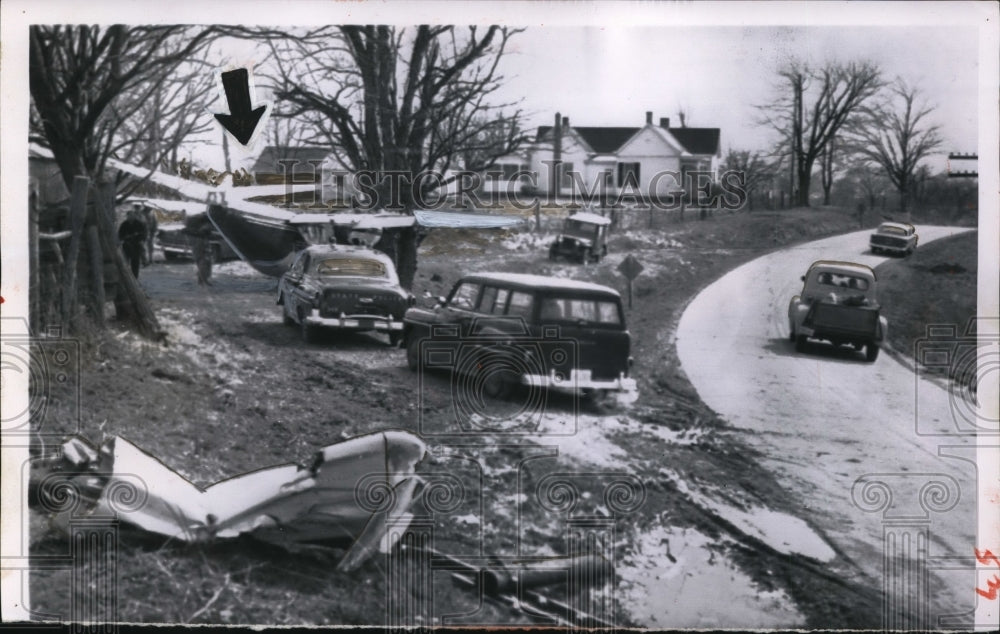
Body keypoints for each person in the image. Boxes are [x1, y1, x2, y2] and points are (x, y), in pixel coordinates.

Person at [118, 209, 147, 279]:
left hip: (136, 245)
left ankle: (135, 277)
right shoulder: (124, 224)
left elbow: (144, 233)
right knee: (126, 263)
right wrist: (125, 238)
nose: (131, 217)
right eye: (129, 216)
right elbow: (120, 234)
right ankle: (127, 277)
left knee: (135, 262)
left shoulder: (139, 224)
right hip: (127, 245)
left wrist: (141, 240)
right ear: (127, 216)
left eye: (132, 215)